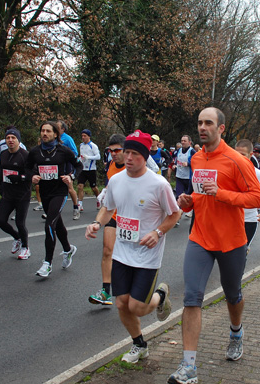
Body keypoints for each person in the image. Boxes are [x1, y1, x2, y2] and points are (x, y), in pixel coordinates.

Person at [168, 107, 260, 384]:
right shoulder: (196, 158)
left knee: (232, 294)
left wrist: (221, 194)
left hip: (231, 241)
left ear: (221, 128)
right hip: (200, 237)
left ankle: (236, 332)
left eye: (208, 123)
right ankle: (188, 367)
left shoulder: (237, 160)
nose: (202, 127)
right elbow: (200, 194)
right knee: (191, 297)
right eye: (199, 122)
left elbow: (256, 198)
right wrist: (188, 201)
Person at [85, 130, 180, 364]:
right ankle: (140, 345)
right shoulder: (116, 180)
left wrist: (157, 232)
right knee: (121, 303)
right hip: (122, 252)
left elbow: (174, 213)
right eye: (125, 152)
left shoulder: (158, 184)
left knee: (137, 307)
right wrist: (97, 223)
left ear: (144, 156)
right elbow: (108, 208)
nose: (128, 157)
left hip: (147, 255)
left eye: (134, 153)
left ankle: (160, 295)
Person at [25, 121, 84, 277]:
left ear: (56, 134)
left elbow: (79, 166)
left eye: (48, 131)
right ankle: (68, 249)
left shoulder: (64, 151)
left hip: (60, 191)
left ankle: (47, 263)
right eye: (43, 131)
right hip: (45, 192)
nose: (45, 133)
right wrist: (33, 176)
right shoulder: (35, 152)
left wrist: (71, 176)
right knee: (57, 224)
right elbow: (26, 167)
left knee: (49, 224)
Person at [88, 134, 127, 306]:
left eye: (117, 150)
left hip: (130, 217)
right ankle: (105, 291)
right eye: (111, 151)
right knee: (107, 251)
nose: (113, 153)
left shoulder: (133, 166)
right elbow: (110, 185)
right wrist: (105, 192)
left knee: (127, 255)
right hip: (113, 213)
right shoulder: (111, 166)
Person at [0, 128, 33, 260]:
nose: (10, 140)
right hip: (8, 193)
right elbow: (2, 169)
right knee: (0, 221)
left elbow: (31, 174)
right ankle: (17, 238)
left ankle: (25, 247)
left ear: (18, 140)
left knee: (20, 222)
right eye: (8, 138)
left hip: (22, 194)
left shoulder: (25, 155)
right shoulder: (4, 153)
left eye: (13, 138)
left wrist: (20, 178)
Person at [234, 139, 260, 251]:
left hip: (249, 220)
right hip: (231, 219)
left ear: (250, 155)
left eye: (243, 155)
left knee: (241, 252)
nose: (239, 158)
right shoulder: (228, 172)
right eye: (236, 154)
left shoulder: (259, 174)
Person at [58, 120, 82, 220]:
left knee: (69, 188)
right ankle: (52, 210)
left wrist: (65, 156)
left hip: (66, 166)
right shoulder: (53, 138)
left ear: (63, 129)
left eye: (57, 126)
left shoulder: (67, 139)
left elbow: (75, 152)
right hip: (56, 167)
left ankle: (76, 208)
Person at [78, 129, 101, 211]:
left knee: (93, 187)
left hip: (91, 170)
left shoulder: (93, 146)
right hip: (83, 169)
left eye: (85, 136)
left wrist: (89, 157)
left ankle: (98, 199)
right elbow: (81, 156)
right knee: (80, 186)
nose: (83, 137)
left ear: (89, 136)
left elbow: (98, 157)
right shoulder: (81, 145)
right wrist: (79, 159)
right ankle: (80, 204)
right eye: (82, 136)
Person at [174, 135, 196, 222]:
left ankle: (190, 210)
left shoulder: (192, 151)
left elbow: (197, 162)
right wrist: (174, 164)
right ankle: (177, 217)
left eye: (184, 141)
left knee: (188, 196)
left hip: (188, 178)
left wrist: (189, 164)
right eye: (182, 140)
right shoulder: (179, 150)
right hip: (179, 176)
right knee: (178, 196)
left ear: (189, 142)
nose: (182, 142)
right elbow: (175, 159)